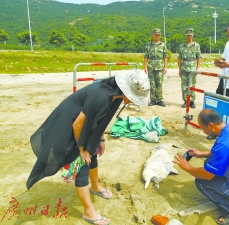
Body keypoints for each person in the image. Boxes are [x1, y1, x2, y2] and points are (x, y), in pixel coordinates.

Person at [26, 70, 150, 225]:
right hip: (69, 122)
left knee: (93, 153)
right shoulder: (101, 95)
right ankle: (88, 212)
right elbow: (77, 124)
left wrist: (101, 138)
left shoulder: (116, 95)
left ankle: (96, 186)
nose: (132, 101)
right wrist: (82, 149)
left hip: (83, 123)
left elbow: (102, 118)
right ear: (126, 91)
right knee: (82, 163)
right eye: (133, 98)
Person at [174, 108, 229, 224]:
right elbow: (221, 153)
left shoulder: (223, 144)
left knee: (201, 182)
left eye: (203, 128)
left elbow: (207, 175)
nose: (204, 132)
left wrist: (187, 167)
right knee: (209, 162)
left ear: (211, 125)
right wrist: (200, 154)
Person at [178, 28, 202, 109]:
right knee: (184, 86)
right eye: (188, 35)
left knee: (192, 86)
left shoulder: (196, 45)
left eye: (190, 35)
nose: (189, 37)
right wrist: (179, 69)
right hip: (184, 68)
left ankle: (192, 101)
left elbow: (199, 57)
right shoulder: (182, 46)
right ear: (186, 36)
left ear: (193, 35)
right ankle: (186, 101)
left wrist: (197, 68)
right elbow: (179, 58)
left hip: (192, 69)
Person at [144, 28, 168, 107]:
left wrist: (165, 67)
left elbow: (165, 57)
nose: (156, 36)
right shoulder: (149, 45)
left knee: (159, 84)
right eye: (155, 34)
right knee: (152, 84)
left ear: (160, 35)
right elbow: (146, 57)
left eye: (158, 35)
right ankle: (153, 100)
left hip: (160, 67)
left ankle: (160, 100)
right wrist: (145, 67)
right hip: (151, 67)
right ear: (152, 35)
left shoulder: (163, 45)